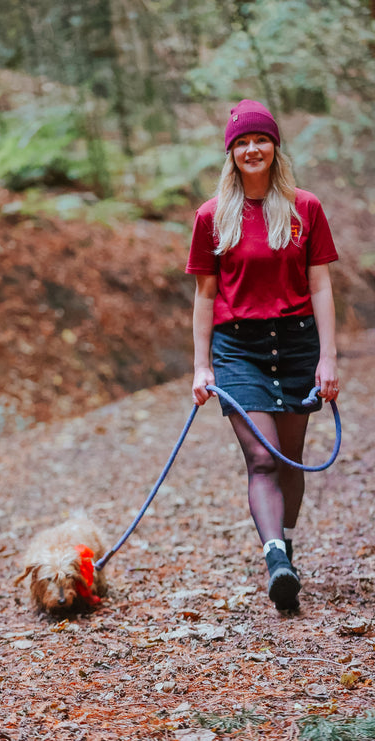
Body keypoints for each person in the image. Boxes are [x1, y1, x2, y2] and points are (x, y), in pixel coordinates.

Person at [186, 99, 339, 612]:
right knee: (262, 457)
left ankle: (285, 545)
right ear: (231, 153)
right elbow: (205, 296)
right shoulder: (212, 216)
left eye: (261, 140)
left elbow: (320, 285)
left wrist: (329, 358)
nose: (252, 149)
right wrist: (202, 365)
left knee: (289, 459)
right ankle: (275, 558)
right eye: (242, 143)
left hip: (297, 343)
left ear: (275, 147)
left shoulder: (305, 208)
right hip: (238, 348)